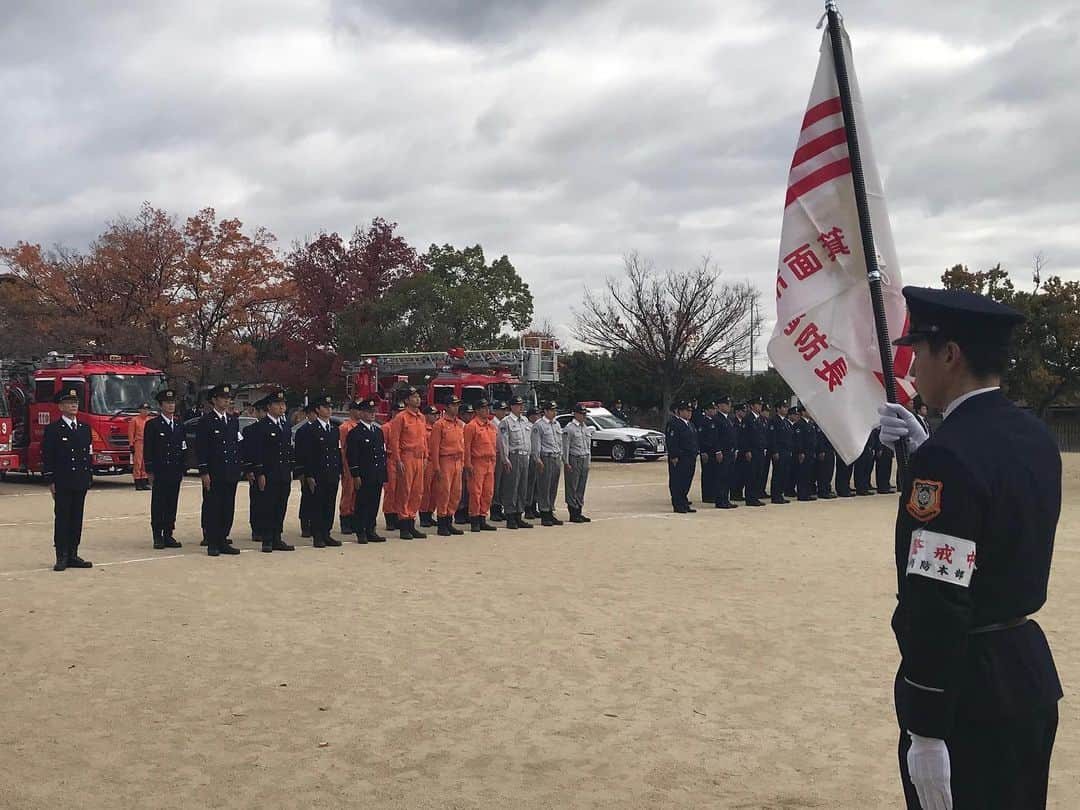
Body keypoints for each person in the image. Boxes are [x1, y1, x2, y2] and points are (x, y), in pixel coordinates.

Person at [878, 286, 1062, 810]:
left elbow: (937, 599)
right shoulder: (1034, 436)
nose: (911, 369)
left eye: (919, 351)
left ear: (951, 353)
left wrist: (928, 726)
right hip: (1024, 674)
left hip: (968, 693)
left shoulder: (947, 458)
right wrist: (927, 448)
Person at [42, 388, 94, 571]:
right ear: (61, 406)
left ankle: (73, 553)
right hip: (63, 480)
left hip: (80, 479)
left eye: (76, 402)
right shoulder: (54, 429)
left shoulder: (84, 428)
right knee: (63, 518)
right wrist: (50, 480)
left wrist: (89, 476)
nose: (74, 405)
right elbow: (48, 456)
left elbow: (88, 454)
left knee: (76, 517)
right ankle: (62, 555)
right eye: (69, 403)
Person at [195, 384, 243, 557]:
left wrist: (239, 468)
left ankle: (223, 539)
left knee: (227, 507)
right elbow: (202, 449)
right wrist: (204, 471)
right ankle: (213, 542)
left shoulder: (232, 421)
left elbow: (236, 446)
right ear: (214, 400)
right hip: (214, 472)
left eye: (228, 398)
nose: (226, 400)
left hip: (230, 471)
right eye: (223, 398)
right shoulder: (206, 421)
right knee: (213, 507)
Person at [293, 393, 343, 548]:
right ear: (317, 410)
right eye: (325, 407)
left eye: (330, 407)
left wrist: (339, 471)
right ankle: (317, 535)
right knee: (317, 505)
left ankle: (327, 533)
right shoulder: (310, 430)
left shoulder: (334, 430)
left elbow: (336, 452)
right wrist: (309, 474)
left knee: (329, 504)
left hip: (332, 473)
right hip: (317, 474)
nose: (328, 410)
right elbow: (307, 455)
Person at [250, 390, 295, 553]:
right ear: (269, 407)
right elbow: (258, 451)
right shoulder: (262, 426)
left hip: (283, 472)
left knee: (280, 505)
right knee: (267, 505)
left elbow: (288, 450)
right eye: (277, 404)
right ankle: (267, 538)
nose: (281, 407)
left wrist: (291, 469)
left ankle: (277, 536)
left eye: (283, 404)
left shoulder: (285, 426)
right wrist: (259, 472)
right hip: (269, 473)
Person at [143, 388, 186, 549]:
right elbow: (148, 449)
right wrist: (149, 470)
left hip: (174, 470)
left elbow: (183, 447)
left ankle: (169, 533)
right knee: (159, 503)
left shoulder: (179, 425)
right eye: (168, 403)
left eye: (173, 402)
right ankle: (157, 534)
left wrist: (183, 468)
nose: (171, 406)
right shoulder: (153, 425)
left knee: (171, 503)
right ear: (161, 405)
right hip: (160, 470)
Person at [386, 386, 429, 540]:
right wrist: (398, 460)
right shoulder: (401, 418)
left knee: (417, 491)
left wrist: (426, 456)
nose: (417, 399)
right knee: (405, 491)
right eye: (414, 396)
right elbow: (395, 441)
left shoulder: (421, 417)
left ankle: (411, 521)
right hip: (407, 457)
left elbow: (424, 439)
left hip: (419, 457)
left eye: (418, 396)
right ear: (406, 400)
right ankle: (404, 524)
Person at [346, 398, 387, 543]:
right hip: (364, 474)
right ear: (361, 413)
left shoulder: (378, 431)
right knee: (362, 503)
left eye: (373, 412)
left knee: (374, 503)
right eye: (369, 412)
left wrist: (383, 474)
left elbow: (382, 453)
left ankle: (371, 529)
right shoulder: (355, 433)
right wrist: (355, 475)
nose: (372, 414)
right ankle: (360, 530)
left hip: (376, 474)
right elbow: (352, 456)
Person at [428, 395, 466, 537]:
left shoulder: (459, 424)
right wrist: (436, 467)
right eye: (454, 405)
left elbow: (462, 445)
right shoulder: (440, 424)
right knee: (444, 492)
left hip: (457, 461)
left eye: (457, 405)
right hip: (445, 461)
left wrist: (462, 463)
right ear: (447, 406)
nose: (456, 408)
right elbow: (435, 447)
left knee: (456, 493)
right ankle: (442, 523)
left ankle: (449, 520)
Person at [498, 395, 534, 529]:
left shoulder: (524, 421)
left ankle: (519, 514)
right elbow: (503, 442)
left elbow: (528, 439)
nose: (521, 408)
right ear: (512, 407)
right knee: (511, 487)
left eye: (522, 405)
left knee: (522, 487)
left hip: (525, 456)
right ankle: (510, 516)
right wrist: (505, 459)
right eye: (518, 405)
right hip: (513, 456)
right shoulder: (506, 422)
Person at [463, 399, 498, 532]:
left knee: (487, 492)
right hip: (477, 462)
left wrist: (493, 462)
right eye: (483, 408)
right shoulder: (472, 426)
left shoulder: (490, 426)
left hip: (489, 462)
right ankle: (475, 519)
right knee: (475, 492)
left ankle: (483, 517)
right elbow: (467, 447)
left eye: (487, 408)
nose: (486, 410)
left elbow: (493, 446)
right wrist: (468, 464)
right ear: (477, 410)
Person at [531, 400, 565, 526]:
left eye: (555, 410)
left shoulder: (556, 424)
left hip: (555, 457)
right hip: (545, 457)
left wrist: (561, 455)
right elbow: (536, 443)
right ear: (545, 411)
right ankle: (544, 512)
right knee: (544, 486)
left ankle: (550, 510)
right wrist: (537, 459)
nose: (554, 412)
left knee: (553, 487)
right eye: (551, 410)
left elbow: (559, 441)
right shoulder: (538, 425)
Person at [562, 402, 594, 522]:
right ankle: (573, 512)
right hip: (574, 458)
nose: (584, 416)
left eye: (585, 414)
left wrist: (588, 461)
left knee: (581, 486)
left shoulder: (585, 427)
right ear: (575, 414)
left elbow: (588, 446)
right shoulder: (569, 428)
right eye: (582, 413)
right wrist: (566, 462)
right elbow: (565, 447)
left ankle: (579, 510)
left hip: (584, 458)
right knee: (572, 486)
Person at [665, 401, 698, 513]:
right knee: (677, 481)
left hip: (690, 457)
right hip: (680, 457)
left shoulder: (690, 424)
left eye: (690, 411)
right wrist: (674, 456)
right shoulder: (674, 423)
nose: (689, 413)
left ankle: (684, 502)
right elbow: (672, 441)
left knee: (686, 481)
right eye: (686, 411)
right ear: (679, 411)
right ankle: (678, 504)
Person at [242, 398, 267, 543]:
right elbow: (247, 452)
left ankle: (268, 528)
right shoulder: (250, 430)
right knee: (257, 501)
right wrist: (249, 469)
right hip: (256, 471)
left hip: (270, 471)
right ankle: (256, 529)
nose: (263, 414)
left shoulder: (278, 428)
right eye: (261, 411)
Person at [338, 400, 365, 536]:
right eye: (357, 409)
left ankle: (355, 519)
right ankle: (345, 519)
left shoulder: (362, 427)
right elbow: (342, 449)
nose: (360, 412)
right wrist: (343, 466)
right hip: (349, 465)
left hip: (361, 464)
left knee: (359, 494)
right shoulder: (345, 427)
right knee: (348, 493)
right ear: (352, 410)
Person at [381, 399, 406, 530]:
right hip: (390, 459)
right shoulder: (387, 427)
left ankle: (398, 515)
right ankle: (389, 517)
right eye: (398, 411)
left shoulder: (404, 427)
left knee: (401, 490)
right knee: (390, 489)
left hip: (403, 460)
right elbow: (382, 447)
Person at [712, 397, 738, 509]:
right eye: (726, 404)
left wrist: (735, 449)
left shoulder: (729, 419)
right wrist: (718, 451)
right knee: (721, 477)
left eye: (729, 404)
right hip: (722, 452)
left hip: (730, 452)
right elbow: (715, 437)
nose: (729, 406)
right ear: (720, 405)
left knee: (728, 477)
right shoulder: (717, 419)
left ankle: (725, 499)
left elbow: (733, 436)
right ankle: (720, 500)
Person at [297, 403, 318, 537]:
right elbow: (299, 454)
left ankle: (315, 525)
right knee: (307, 498)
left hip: (319, 470)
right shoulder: (303, 431)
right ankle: (305, 525)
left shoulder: (322, 429)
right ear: (309, 414)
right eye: (314, 413)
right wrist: (301, 472)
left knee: (318, 499)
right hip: (306, 471)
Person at [743, 397, 768, 507]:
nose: (760, 406)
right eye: (758, 404)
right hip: (752, 451)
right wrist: (747, 450)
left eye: (761, 404)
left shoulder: (761, 419)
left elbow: (763, 435)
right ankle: (750, 498)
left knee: (759, 474)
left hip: (760, 450)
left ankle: (755, 496)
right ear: (752, 406)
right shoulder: (748, 419)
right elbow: (745, 436)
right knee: (751, 475)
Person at [767, 401, 793, 505]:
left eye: (787, 407)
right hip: (779, 451)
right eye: (784, 407)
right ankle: (775, 495)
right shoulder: (774, 421)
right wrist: (775, 451)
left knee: (784, 473)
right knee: (778, 473)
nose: (786, 409)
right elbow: (772, 438)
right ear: (778, 409)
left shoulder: (786, 422)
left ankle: (780, 494)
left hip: (786, 451)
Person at [418, 404, 440, 528]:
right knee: (425, 490)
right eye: (432, 414)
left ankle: (430, 513)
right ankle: (423, 515)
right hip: (427, 461)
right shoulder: (423, 429)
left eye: (436, 414)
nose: (435, 416)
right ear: (426, 416)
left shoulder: (437, 428)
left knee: (435, 490)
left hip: (436, 461)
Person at [696, 401, 721, 504]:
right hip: (707, 452)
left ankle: (713, 493)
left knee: (714, 473)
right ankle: (707, 495)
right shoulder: (703, 421)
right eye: (712, 409)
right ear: (706, 411)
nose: (714, 411)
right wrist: (703, 451)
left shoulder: (714, 421)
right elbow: (701, 438)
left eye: (715, 409)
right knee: (707, 474)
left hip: (714, 451)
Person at [454, 402, 474, 525]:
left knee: (469, 488)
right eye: (467, 414)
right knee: (459, 489)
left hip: (471, 459)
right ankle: (459, 513)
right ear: (461, 414)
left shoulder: (471, 426)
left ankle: (467, 510)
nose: (470, 416)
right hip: (459, 460)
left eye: (471, 413)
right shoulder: (459, 426)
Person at [490, 400, 508, 521]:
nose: (503, 412)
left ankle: (500, 507)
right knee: (495, 484)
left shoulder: (505, 423)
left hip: (505, 455)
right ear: (495, 411)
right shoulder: (492, 424)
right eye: (500, 410)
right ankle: (494, 510)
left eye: (504, 410)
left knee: (503, 484)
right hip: (496, 454)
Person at [128, 401, 153, 490]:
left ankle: (144, 481)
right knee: (138, 462)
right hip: (138, 442)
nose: (146, 411)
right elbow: (131, 433)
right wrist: (131, 444)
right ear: (139, 410)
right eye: (144, 409)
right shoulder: (134, 420)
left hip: (148, 443)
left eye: (147, 409)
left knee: (145, 463)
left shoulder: (150, 420)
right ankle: (138, 481)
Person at [524, 406, 543, 520]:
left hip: (539, 456)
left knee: (537, 484)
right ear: (530, 416)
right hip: (531, 457)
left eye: (538, 414)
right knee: (530, 484)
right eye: (534, 415)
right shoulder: (528, 426)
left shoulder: (539, 426)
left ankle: (534, 506)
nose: (537, 417)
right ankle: (528, 508)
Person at [730, 402, 748, 502]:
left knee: (742, 473)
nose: (744, 412)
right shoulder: (733, 421)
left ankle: (739, 493)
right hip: (736, 451)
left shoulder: (744, 422)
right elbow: (734, 437)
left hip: (743, 450)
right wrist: (735, 449)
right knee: (735, 474)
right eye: (742, 411)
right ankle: (734, 493)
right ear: (737, 411)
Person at [815, 427, 838, 500]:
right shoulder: (821, 425)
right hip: (824, 451)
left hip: (830, 450)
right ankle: (822, 491)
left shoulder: (828, 425)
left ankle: (827, 489)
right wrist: (821, 450)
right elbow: (819, 439)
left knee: (829, 472)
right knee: (823, 472)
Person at [874, 426, 896, 494]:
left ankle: (886, 484)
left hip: (888, 448)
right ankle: (882, 487)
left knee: (887, 467)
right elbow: (880, 437)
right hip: (883, 448)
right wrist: (879, 448)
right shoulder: (882, 424)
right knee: (883, 468)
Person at [853, 431, 876, 496]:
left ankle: (865, 487)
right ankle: (860, 488)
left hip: (869, 449)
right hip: (862, 449)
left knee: (866, 470)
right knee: (860, 469)